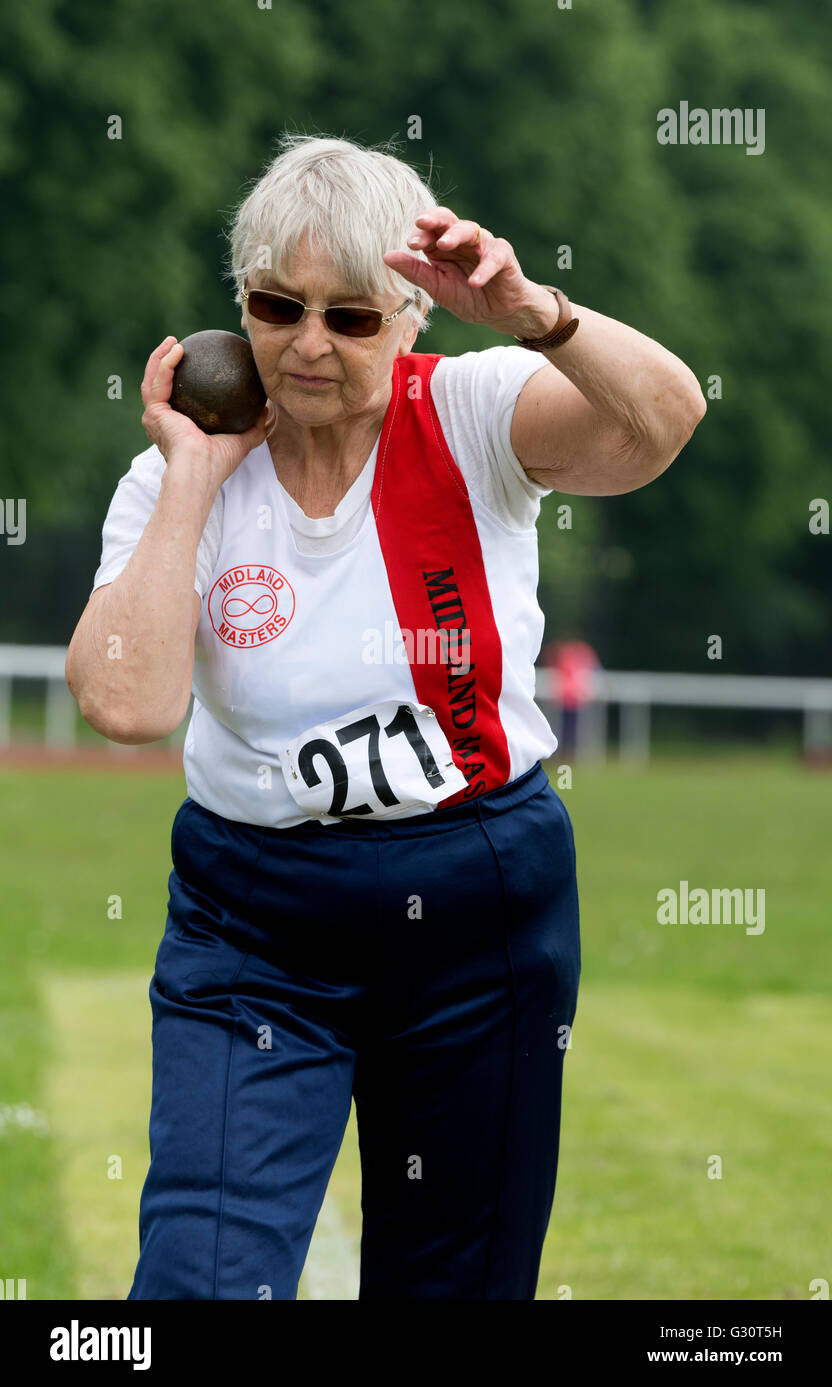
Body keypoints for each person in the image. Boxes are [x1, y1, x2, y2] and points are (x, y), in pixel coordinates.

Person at [65, 132, 706, 1300]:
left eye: (351, 316)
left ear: (412, 315)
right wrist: (197, 480)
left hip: (476, 901)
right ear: (240, 310)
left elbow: (663, 420)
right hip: (253, 919)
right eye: (276, 305)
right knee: (202, 1278)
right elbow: (126, 701)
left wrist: (532, 311)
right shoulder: (178, 479)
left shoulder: (471, 411)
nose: (308, 343)